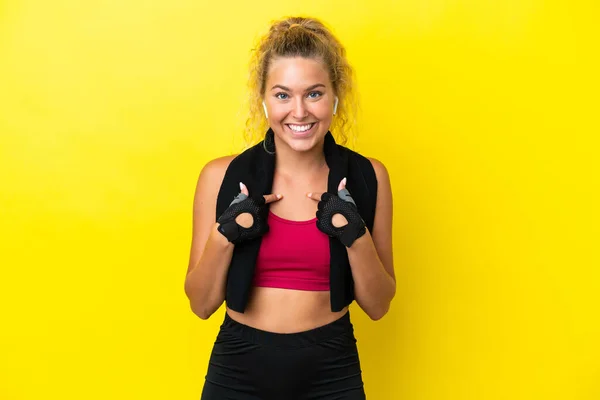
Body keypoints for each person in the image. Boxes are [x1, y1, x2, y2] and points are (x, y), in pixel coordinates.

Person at [184, 16, 395, 400]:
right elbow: (201, 304)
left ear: (335, 97)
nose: (299, 112)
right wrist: (226, 232)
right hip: (239, 368)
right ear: (264, 101)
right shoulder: (221, 176)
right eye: (283, 95)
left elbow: (379, 305)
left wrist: (354, 235)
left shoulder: (369, 176)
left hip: (332, 369)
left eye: (313, 94)